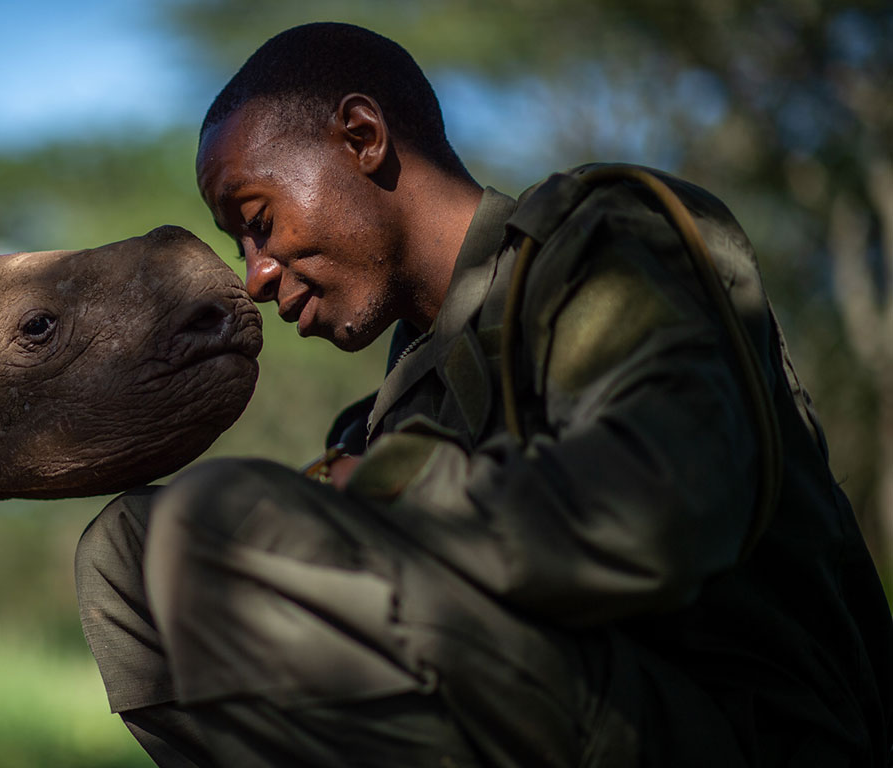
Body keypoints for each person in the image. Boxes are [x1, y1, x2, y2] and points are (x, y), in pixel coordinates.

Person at [75, 22, 893, 768]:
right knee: (126, 550)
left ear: (361, 137)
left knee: (218, 516)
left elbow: (662, 510)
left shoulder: (603, 241)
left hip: (730, 730)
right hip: (549, 703)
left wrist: (392, 494)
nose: (253, 276)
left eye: (259, 220)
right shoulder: (389, 406)